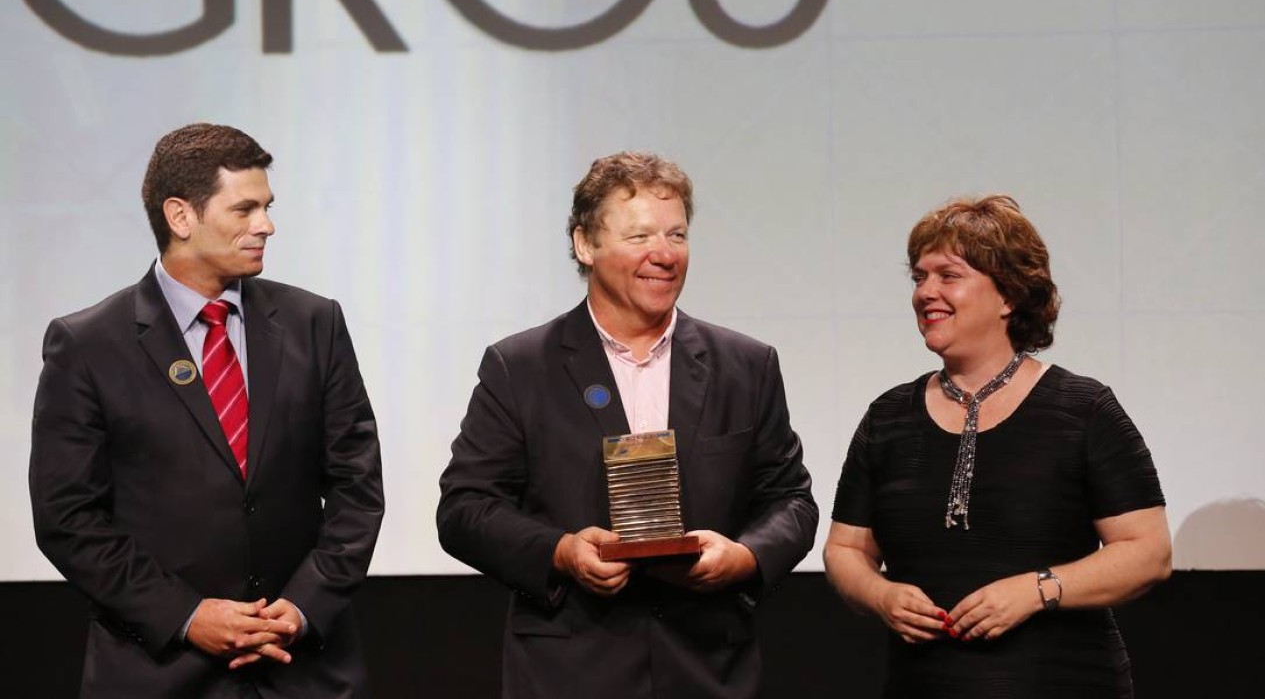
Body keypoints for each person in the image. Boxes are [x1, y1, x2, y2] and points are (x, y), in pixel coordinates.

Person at [437, 151, 818, 699]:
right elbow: (465, 510)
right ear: (584, 244)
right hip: (569, 671)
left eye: (678, 236)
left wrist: (744, 557)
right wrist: (562, 552)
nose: (663, 254)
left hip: (709, 668)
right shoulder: (520, 366)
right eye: (640, 237)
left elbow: (792, 503)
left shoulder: (745, 364)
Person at [30, 123, 385, 698]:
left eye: (267, 207)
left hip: (304, 670)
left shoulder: (314, 324)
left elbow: (357, 487)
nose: (265, 225)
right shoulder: (89, 344)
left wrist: (300, 607)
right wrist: (188, 615)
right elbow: (68, 517)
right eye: (245, 209)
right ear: (181, 216)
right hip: (160, 672)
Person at [824, 194, 1171, 697]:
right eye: (919, 277)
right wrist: (879, 594)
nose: (926, 292)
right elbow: (845, 549)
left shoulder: (1083, 408)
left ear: (1008, 295)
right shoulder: (889, 416)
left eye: (948, 275)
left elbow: (1148, 552)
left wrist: (1036, 591)